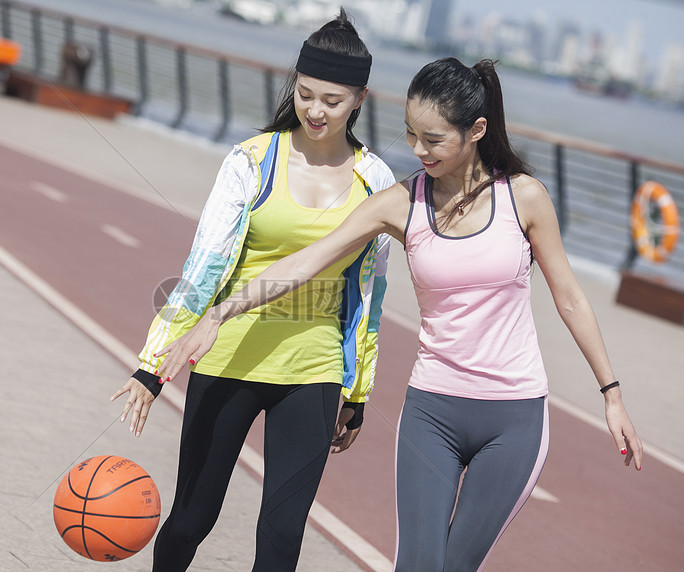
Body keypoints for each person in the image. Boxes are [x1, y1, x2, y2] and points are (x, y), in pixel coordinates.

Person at [156, 57, 644, 572]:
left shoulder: (523, 197)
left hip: (514, 415)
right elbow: (308, 260)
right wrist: (221, 313)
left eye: (432, 139)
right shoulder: (400, 202)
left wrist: (611, 395)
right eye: (410, 134)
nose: (417, 150)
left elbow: (569, 298)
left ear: (476, 130)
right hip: (432, 409)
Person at [111, 10, 395, 571]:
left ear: (360, 98)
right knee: (193, 516)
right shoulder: (252, 159)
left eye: (332, 101)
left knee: (282, 536)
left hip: (311, 371)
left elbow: (368, 296)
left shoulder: (377, 181)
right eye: (306, 94)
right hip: (228, 355)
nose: (315, 110)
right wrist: (153, 364)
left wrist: (357, 392)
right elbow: (204, 267)